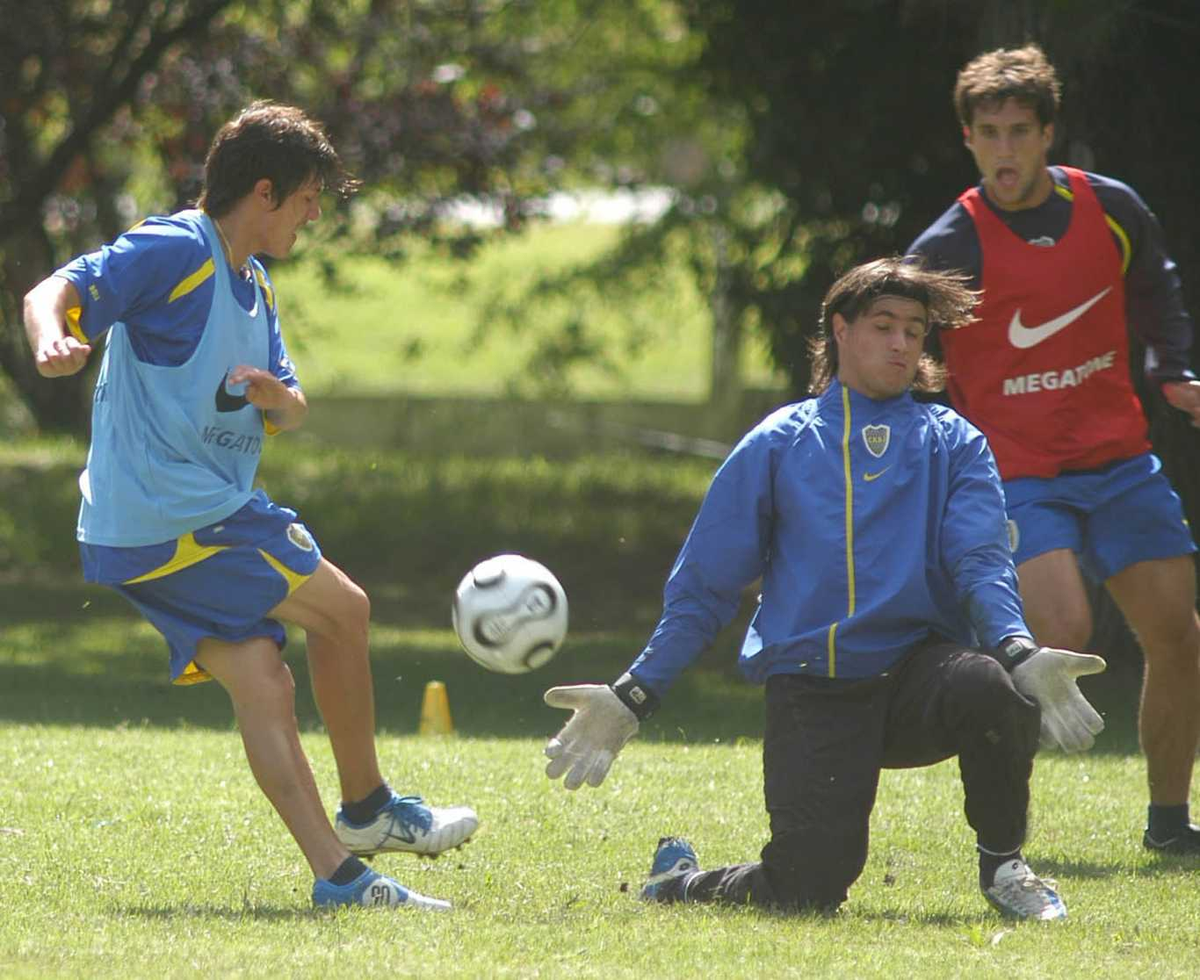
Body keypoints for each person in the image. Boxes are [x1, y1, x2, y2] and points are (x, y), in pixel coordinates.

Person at [541, 257, 1106, 920]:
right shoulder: (777, 444)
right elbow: (704, 588)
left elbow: (981, 561)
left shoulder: (955, 443)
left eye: (915, 331)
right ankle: (685, 881)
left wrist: (1017, 649)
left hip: (915, 681)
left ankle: (1006, 867)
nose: (900, 343)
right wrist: (633, 695)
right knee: (806, 888)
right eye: (883, 326)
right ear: (841, 331)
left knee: (990, 686)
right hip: (815, 687)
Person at [22, 102, 477, 910]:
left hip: (139, 531)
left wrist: (276, 398)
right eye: (307, 198)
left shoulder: (254, 285)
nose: (314, 215)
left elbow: (291, 406)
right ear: (263, 193)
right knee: (344, 611)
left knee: (265, 682)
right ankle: (369, 810)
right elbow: (49, 289)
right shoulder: (176, 250)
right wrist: (50, 338)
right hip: (181, 515)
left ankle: (340, 879)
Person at [907, 43, 1200, 855]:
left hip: (1119, 460)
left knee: (1179, 631)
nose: (1005, 149)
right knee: (1063, 631)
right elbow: (891, 330)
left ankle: (1170, 825)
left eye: (1020, 131)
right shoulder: (950, 246)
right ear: (968, 137)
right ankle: (1006, 837)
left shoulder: (1111, 209)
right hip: (1017, 471)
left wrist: (1172, 367)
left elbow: (1157, 286)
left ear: (1048, 135)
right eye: (989, 132)